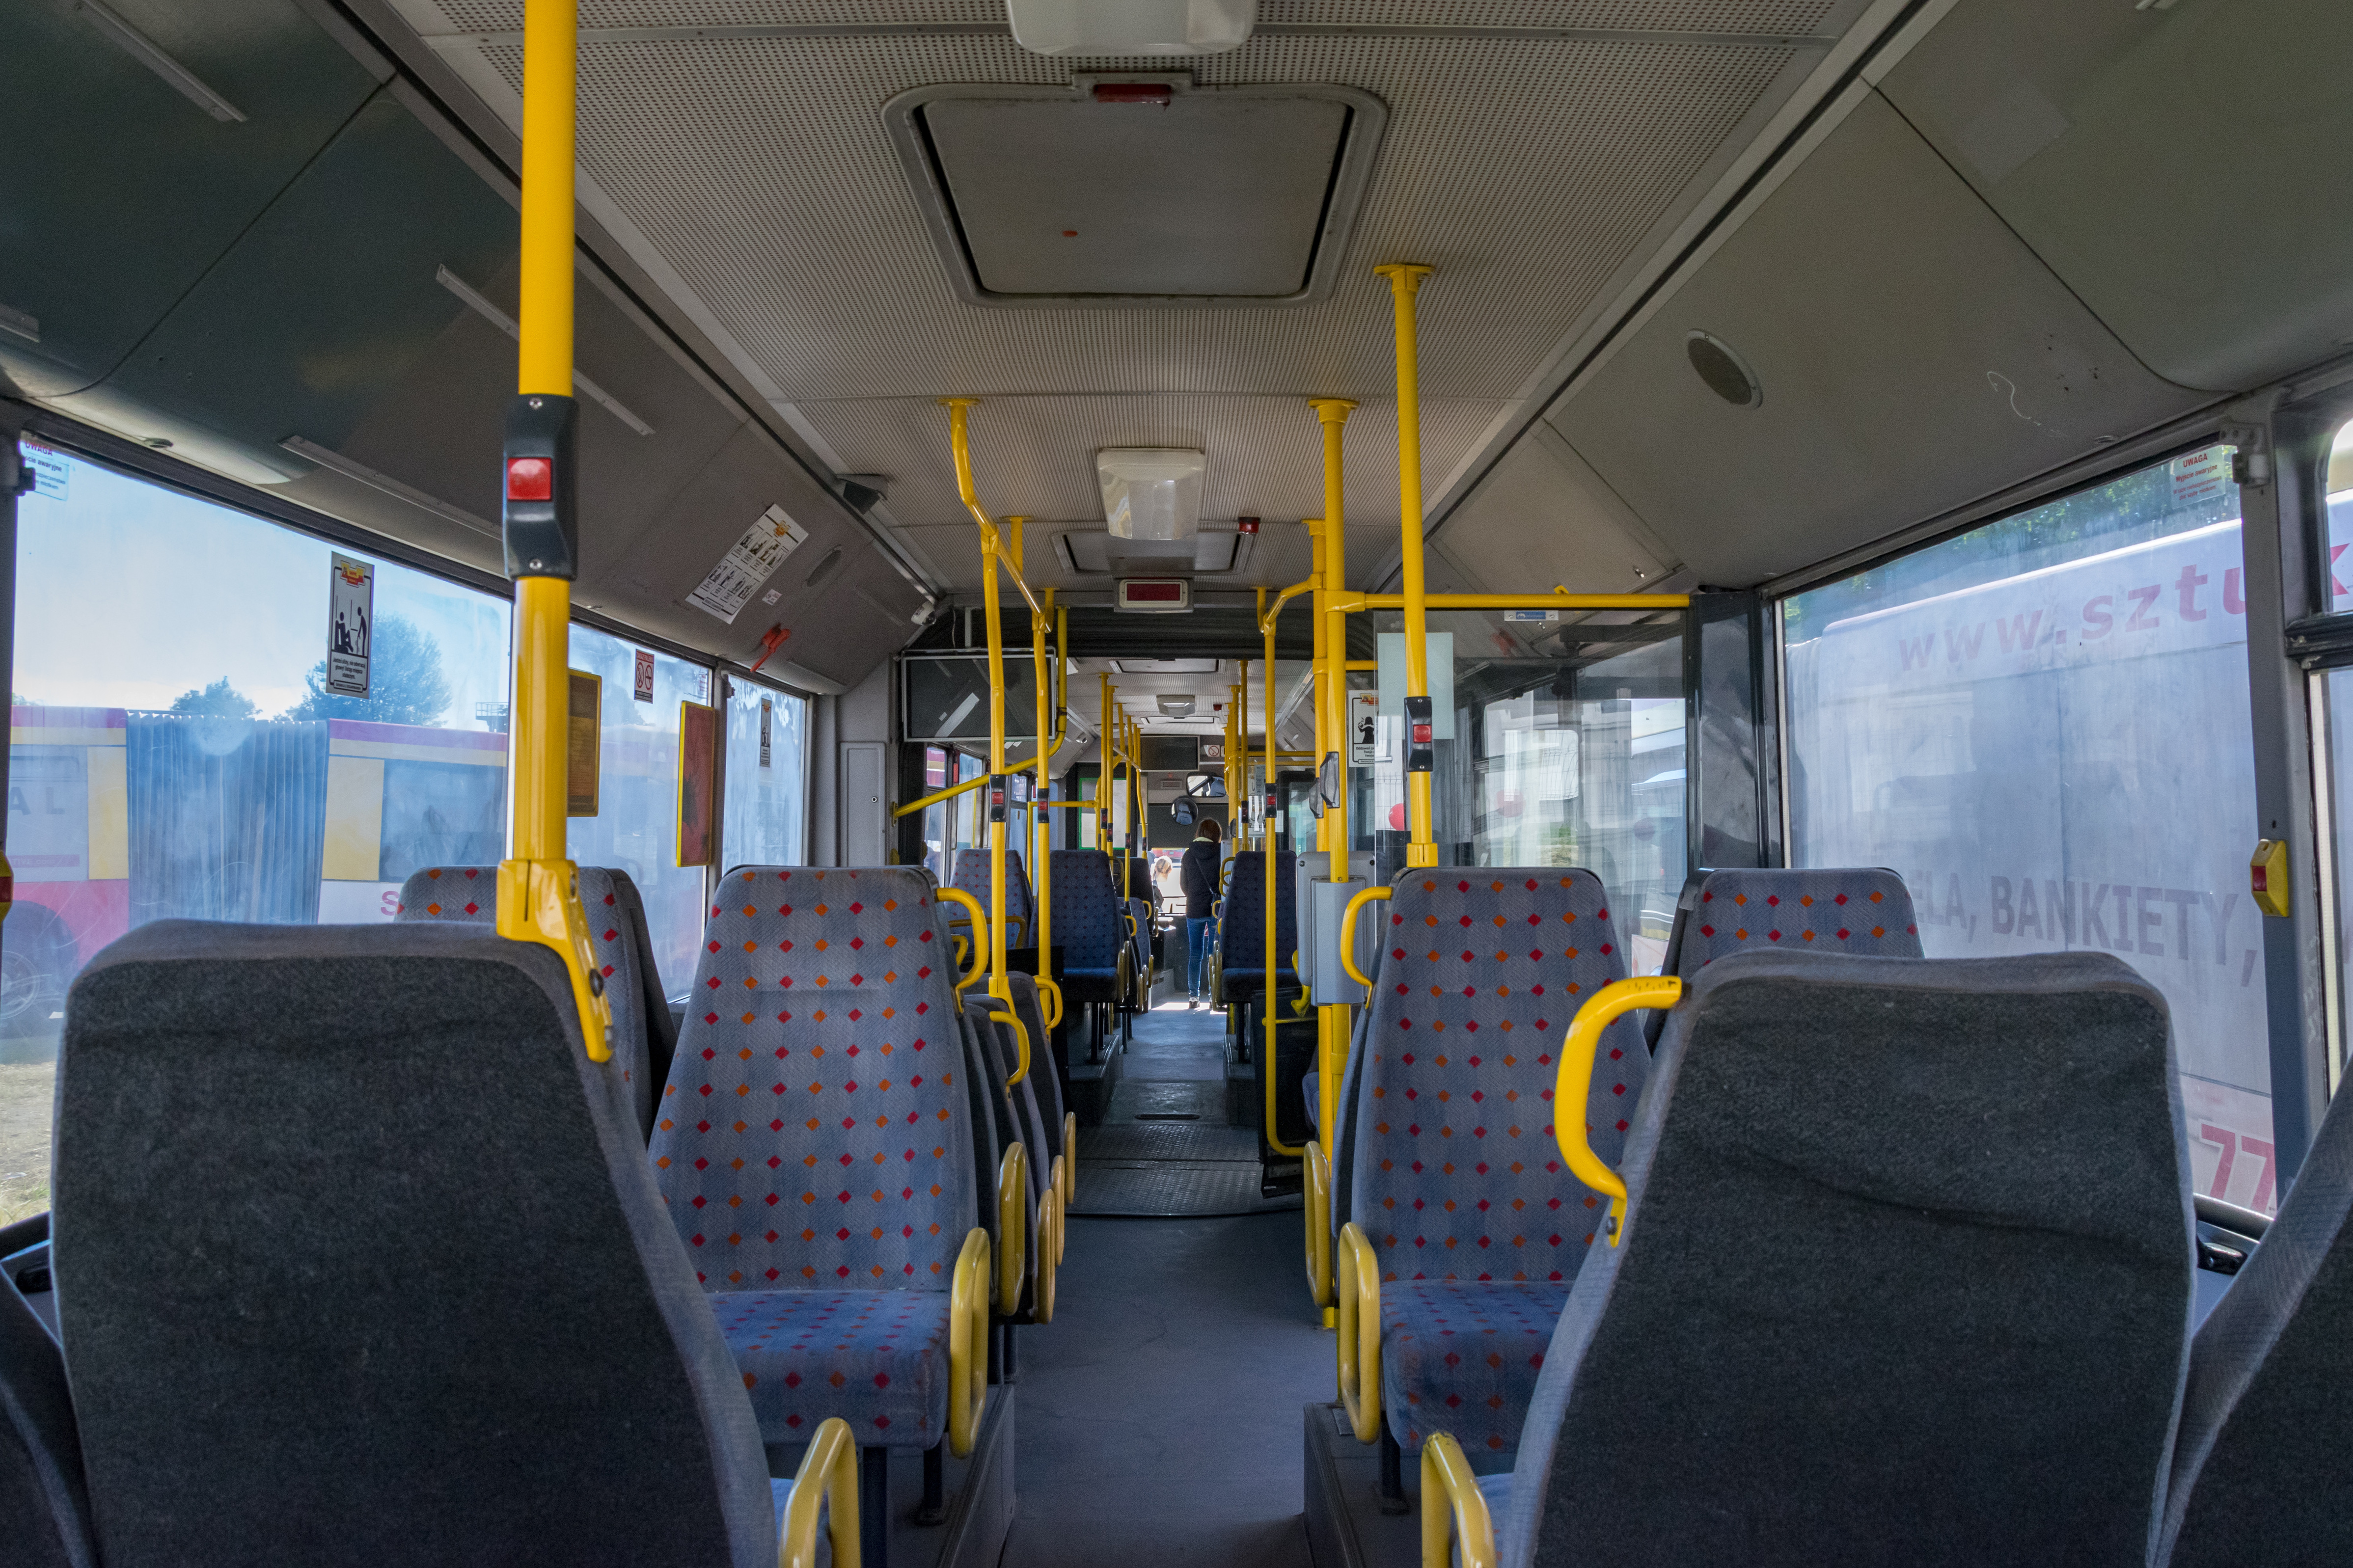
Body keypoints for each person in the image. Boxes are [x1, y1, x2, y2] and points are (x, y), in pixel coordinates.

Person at [1180, 817, 1222, 1010]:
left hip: (1194, 910)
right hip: (1215, 909)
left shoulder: (1188, 855)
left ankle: (1193, 997)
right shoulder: (1222, 852)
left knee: (1195, 954)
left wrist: (1195, 898)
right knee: (1214, 955)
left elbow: (1184, 885)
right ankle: (1214, 996)